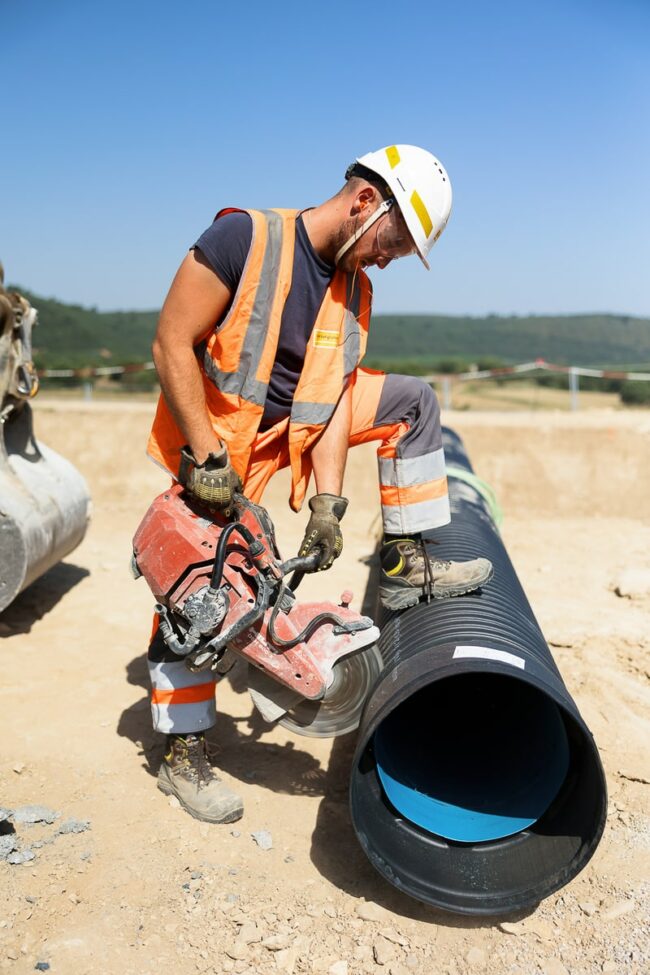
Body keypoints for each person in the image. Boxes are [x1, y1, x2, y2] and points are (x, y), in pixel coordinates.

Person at [145, 145, 493, 824]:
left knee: (414, 403)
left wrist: (329, 501)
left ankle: (405, 563)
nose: (390, 258)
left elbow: (330, 396)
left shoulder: (357, 288)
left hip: (291, 433)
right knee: (194, 587)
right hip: (220, 442)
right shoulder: (243, 237)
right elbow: (170, 341)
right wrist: (207, 455)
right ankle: (181, 752)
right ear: (366, 202)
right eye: (395, 241)